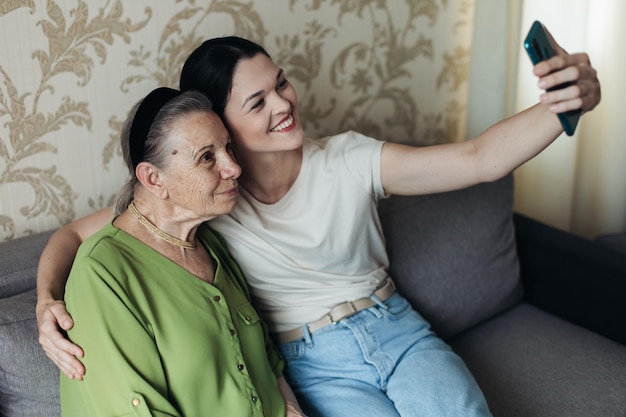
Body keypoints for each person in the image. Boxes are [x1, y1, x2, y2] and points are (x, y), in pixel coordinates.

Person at [37, 30, 601, 417]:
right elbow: (74, 236)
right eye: (256, 103)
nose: (283, 104)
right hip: (314, 362)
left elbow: (478, 159)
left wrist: (561, 104)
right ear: (220, 124)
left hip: (397, 328)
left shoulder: (347, 159)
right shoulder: (208, 200)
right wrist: (46, 303)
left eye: (280, 83)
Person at [54, 87, 307, 417]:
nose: (233, 168)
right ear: (153, 179)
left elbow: (268, 363)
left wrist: (290, 407)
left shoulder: (211, 244)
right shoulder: (103, 273)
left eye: (228, 148)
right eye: (206, 157)